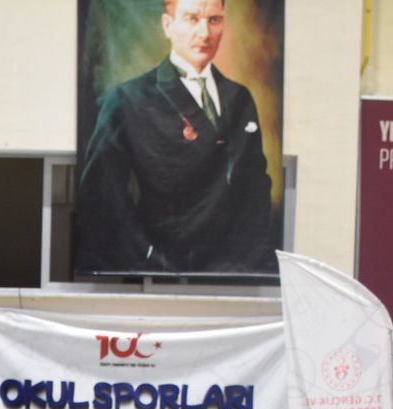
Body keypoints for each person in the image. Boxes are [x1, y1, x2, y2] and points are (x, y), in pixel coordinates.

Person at [73, 0, 273, 277]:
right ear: (168, 25)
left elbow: (256, 186)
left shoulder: (240, 97)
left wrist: (249, 257)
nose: (205, 33)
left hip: (234, 269)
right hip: (164, 269)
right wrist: (147, 255)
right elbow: (102, 192)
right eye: (192, 19)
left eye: (214, 20)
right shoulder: (129, 99)